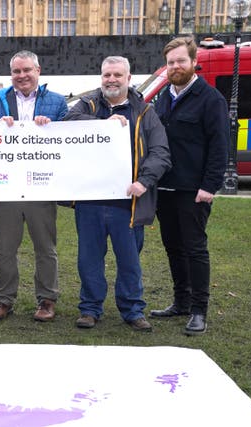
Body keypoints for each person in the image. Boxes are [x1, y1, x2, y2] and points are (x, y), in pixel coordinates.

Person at [63, 56, 171, 332]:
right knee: (89, 259)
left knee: (130, 261)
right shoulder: (87, 105)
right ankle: (89, 309)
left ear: (128, 78)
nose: (111, 80)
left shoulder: (145, 111)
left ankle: (133, 310)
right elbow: (67, 123)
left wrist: (144, 182)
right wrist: (102, 123)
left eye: (117, 75)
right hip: (90, 200)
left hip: (129, 201)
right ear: (101, 77)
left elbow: (161, 153)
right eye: (106, 75)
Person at [0, 50, 67, 321]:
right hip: (5, 185)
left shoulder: (56, 101)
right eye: (16, 71)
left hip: (41, 186)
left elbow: (69, 140)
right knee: (4, 248)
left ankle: (47, 299)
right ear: (11, 75)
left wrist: (51, 126)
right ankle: (4, 299)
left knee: (45, 247)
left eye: (27, 70)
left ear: (38, 71)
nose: (22, 76)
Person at [149, 37, 229, 336]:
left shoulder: (211, 99)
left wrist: (210, 185)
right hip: (165, 187)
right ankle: (180, 301)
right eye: (170, 62)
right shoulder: (164, 98)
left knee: (195, 249)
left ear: (194, 62)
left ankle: (199, 310)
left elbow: (220, 146)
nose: (175, 67)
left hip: (194, 189)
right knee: (173, 247)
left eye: (181, 61)